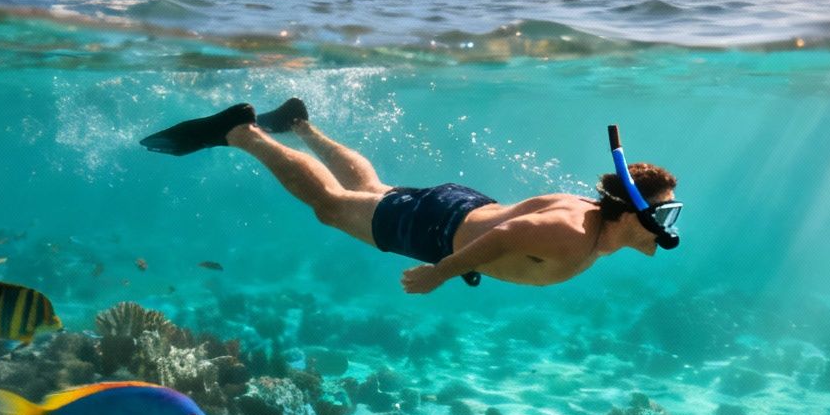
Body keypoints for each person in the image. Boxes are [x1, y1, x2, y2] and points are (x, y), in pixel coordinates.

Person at [142, 99, 680, 293]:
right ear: (635, 210)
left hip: (458, 206)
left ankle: (299, 124)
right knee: (331, 207)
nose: (670, 223)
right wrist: (440, 272)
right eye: (665, 211)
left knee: (373, 191)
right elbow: (510, 234)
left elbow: (510, 232)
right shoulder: (573, 236)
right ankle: (243, 133)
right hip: (435, 229)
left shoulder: (585, 211)